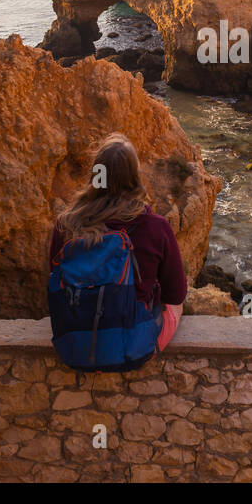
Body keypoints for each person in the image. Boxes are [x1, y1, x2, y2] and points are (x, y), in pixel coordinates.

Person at [49, 133, 186, 351]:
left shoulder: (65, 225)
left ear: (96, 174)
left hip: (77, 343)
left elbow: (54, 280)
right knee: (175, 306)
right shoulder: (156, 227)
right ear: (134, 177)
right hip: (133, 346)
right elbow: (176, 293)